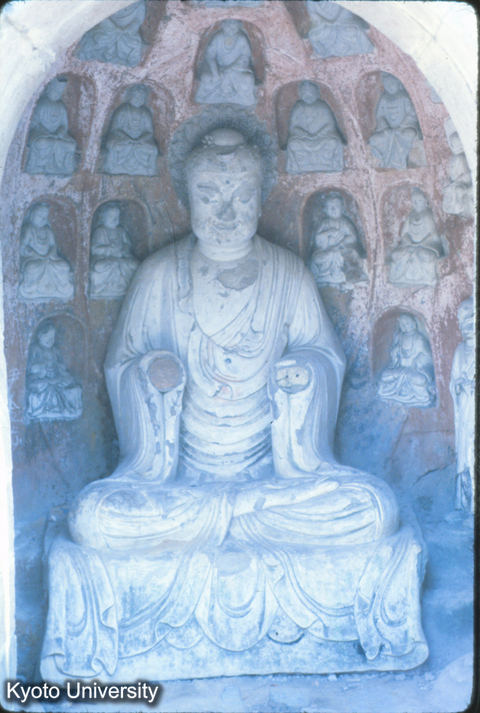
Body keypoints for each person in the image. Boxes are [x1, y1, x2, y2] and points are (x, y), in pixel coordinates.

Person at [41, 124, 427, 683]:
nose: (226, 212)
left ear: (261, 197)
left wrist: (305, 375)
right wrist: (151, 377)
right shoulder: (157, 277)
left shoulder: (288, 274)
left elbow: (325, 357)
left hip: (276, 480)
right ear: (185, 198)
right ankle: (233, 516)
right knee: (92, 519)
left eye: (241, 196)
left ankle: (235, 515)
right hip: (178, 482)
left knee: (373, 510)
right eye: (209, 195)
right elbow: (122, 367)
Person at [26, 322, 82, 421]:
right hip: (42, 379)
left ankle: (67, 408)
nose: (50, 340)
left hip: (56, 377)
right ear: (39, 336)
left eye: (52, 337)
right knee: (40, 386)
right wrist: (39, 367)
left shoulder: (55, 350)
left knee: (71, 384)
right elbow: (30, 367)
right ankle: (40, 409)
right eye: (47, 337)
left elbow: (62, 365)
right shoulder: (35, 349)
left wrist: (58, 367)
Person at [389, 188, 445, 287]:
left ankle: (429, 278)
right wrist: (409, 242)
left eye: (419, 200)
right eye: (414, 201)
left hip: (426, 245)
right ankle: (397, 277)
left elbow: (433, 234)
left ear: (425, 201)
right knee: (396, 255)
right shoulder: (411, 214)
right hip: (409, 245)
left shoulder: (428, 214)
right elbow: (404, 233)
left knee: (425, 255)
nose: (416, 203)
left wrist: (421, 243)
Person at [286, 81, 345, 174]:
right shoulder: (298, 107)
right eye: (305, 93)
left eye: (311, 92)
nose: (308, 96)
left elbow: (330, 125)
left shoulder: (323, 106)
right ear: (300, 94)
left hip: (321, 138)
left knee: (333, 142)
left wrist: (317, 135)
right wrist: (306, 135)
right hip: (304, 139)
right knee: (292, 144)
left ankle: (325, 163)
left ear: (317, 93)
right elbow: (294, 127)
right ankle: (303, 164)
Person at [18, 203, 74, 301]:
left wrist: (49, 255)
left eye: (45, 217)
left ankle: (62, 288)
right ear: (32, 215)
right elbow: (23, 246)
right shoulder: (28, 229)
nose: (43, 219)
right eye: (40, 216)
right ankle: (31, 288)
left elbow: (53, 246)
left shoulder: (48, 230)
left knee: (64, 266)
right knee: (31, 268)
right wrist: (36, 255)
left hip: (50, 259)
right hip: (34, 259)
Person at [449, 297, 475, 513]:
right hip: (465, 409)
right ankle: (466, 503)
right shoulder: (460, 350)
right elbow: (453, 382)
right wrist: (459, 386)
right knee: (465, 454)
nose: (463, 327)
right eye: (460, 322)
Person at [378, 314, 435, 407]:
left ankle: (421, 397)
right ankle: (394, 393)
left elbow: (428, 356)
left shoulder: (419, 338)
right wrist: (395, 352)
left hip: (414, 370)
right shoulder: (399, 336)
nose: (404, 326)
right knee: (384, 376)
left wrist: (415, 361)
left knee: (420, 380)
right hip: (400, 369)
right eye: (402, 324)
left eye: (407, 324)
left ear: (414, 324)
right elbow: (394, 355)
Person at [309, 193, 366, 286]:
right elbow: (318, 240)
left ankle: (338, 274)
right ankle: (324, 275)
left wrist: (340, 244)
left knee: (338, 255)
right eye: (330, 207)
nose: (333, 210)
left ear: (342, 208)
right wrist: (328, 233)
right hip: (327, 251)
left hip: (341, 250)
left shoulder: (345, 222)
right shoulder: (324, 223)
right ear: (325, 209)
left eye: (336, 206)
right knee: (316, 259)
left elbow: (352, 237)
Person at [196, 19, 256, 106]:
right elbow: (209, 56)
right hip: (217, 68)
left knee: (248, 79)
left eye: (234, 27)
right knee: (207, 78)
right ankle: (206, 97)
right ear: (223, 25)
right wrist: (215, 73)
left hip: (235, 70)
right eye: (228, 26)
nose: (231, 30)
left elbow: (245, 57)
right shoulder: (218, 37)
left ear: (239, 26)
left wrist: (231, 67)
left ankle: (243, 98)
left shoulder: (241, 38)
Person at [25, 78, 77, 176]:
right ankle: (38, 166)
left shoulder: (61, 106)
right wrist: (45, 132)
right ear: (48, 89)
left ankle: (63, 167)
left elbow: (64, 125)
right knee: (42, 142)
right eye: (55, 91)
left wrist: (60, 132)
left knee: (71, 146)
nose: (57, 94)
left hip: (58, 137)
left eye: (59, 93)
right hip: (41, 134)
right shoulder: (41, 104)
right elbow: (34, 123)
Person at [368, 73, 421, 170]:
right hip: (388, 133)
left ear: (398, 83)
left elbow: (412, 114)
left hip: (403, 129)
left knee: (410, 134)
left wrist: (401, 127)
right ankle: (385, 162)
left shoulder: (404, 97)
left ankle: (401, 160)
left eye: (392, 84)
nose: (390, 87)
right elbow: (380, 117)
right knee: (373, 140)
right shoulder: (384, 98)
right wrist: (386, 129)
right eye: (387, 85)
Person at [103, 85, 158, 176]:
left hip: (140, 141)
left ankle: (149, 170)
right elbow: (115, 129)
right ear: (129, 97)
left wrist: (139, 140)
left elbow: (149, 132)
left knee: (153, 150)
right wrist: (127, 139)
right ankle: (113, 167)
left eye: (141, 98)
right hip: (122, 139)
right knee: (114, 147)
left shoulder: (145, 112)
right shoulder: (122, 111)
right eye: (135, 97)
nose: (138, 100)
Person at [75, 0, 146, 67]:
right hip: (108, 28)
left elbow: (138, 20)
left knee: (134, 43)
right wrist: (113, 28)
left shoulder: (139, 4)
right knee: (101, 38)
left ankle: (127, 59)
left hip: (126, 33)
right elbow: (100, 14)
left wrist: (128, 29)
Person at [89, 204, 139, 298]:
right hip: (106, 259)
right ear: (104, 218)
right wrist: (109, 249)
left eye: (116, 217)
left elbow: (127, 244)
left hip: (122, 258)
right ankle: (101, 287)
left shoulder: (121, 231)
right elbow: (94, 249)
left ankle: (129, 287)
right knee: (98, 267)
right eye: (111, 216)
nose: (114, 219)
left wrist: (123, 251)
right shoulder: (100, 231)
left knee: (136, 265)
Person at [306, 0, 373, 58]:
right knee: (315, 37)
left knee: (353, 31)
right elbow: (315, 17)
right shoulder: (310, 2)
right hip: (324, 25)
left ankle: (366, 49)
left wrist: (338, 21)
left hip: (342, 22)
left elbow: (346, 11)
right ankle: (322, 53)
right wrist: (328, 23)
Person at [442, 131, 474, 219]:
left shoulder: (461, 158)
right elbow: (452, 175)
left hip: (464, 182)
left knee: (458, 190)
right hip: (458, 182)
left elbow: (467, 175)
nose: (456, 146)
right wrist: (451, 181)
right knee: (448, 190)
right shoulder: (455, 158)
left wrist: (457, 181)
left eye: (458, 143)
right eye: (454, 144)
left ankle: (460, 205)